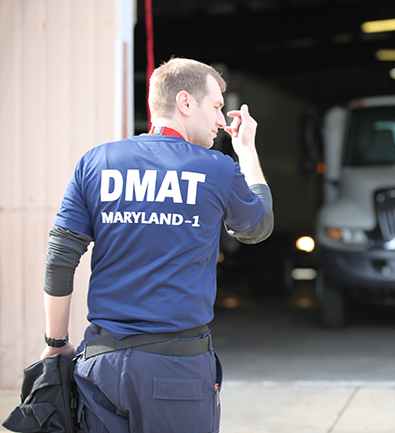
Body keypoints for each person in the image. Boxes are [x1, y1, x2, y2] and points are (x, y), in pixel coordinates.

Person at [39, 58, 273, 433]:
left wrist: (56, 342)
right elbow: (257, 227)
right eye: (215, 107)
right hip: (175, 371)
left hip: (101, 367)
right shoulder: (216, 168)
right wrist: (245, 151)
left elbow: (59, 259)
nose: (220, 121)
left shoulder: (96, 162)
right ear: (184, 102)